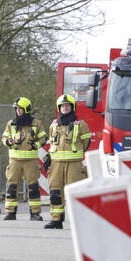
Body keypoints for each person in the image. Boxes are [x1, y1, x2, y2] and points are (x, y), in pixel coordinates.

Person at [44, 94, 92, 229]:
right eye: (62, 106)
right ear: (59, 108)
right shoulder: (53, 125)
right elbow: (52, 143)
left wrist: (75, 153)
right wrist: (49, 158)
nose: (65, 108)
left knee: (76, 192)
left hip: (74, 164)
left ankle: (80, 221)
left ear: (72, 107)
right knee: (55, 192)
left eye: (67, 105)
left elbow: (86, 143)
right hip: (56, 164)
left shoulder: (80, 124)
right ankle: (56, 220)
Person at [1, 97, 47, 221]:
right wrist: (8, 141)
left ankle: (35, 213)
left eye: (20, 109)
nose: (18, 111)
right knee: (11, 187)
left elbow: (43, 138)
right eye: (16, 109)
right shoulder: (11, 123)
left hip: (30, 161)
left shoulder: (36, 123)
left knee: (33, 187)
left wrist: (35, 145)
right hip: (14, 160)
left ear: (26, 109)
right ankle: (10, 213)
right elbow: (4, 136)